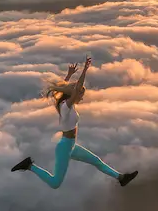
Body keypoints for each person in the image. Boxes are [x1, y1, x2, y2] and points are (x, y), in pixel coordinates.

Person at [11, 57, 137, 188]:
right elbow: (75, 89)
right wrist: (85, 70)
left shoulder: (64, 103)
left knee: (97, 162)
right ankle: (29, 166)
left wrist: (69, 75)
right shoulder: (66, 106)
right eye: (80, 96)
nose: (81, 98)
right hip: (65, 147)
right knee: (55, 183)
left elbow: (62, 90)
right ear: (74, 95)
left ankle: (121, 178)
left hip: (71, 145)